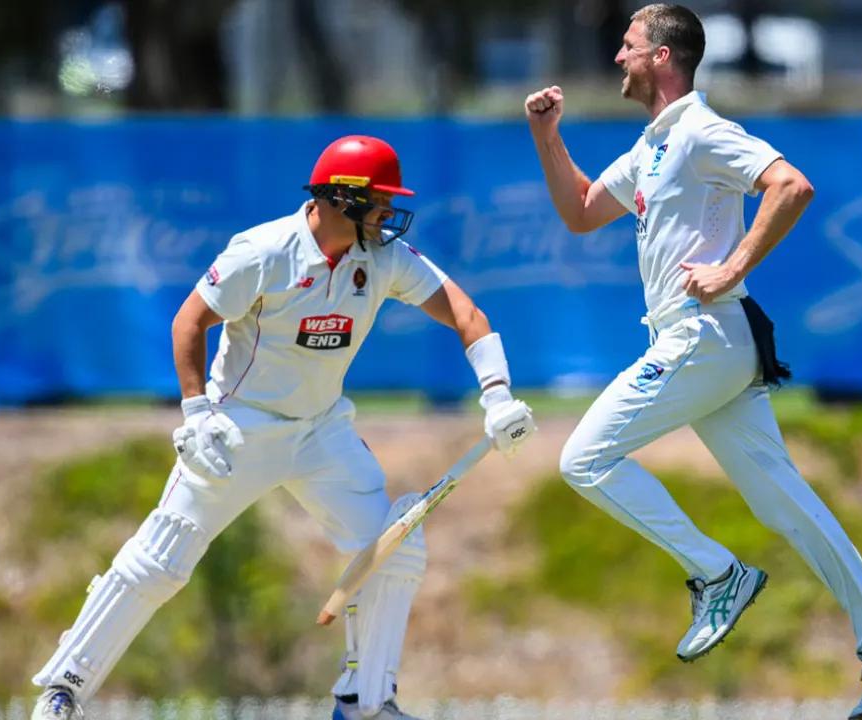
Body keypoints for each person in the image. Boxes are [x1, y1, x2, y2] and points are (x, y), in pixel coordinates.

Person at [29, 135, 537, 720]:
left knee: (394, 549)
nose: (387, 216)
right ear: (341, 198)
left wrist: (497, 397)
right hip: (239, 427)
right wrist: (197, 415)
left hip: (322, 430)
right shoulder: (262, 251)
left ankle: (367, 703)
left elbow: (468, 314)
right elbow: (189, 321)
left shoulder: (385, 257)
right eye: (378, 203)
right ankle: (64, 689)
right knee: (161, 558)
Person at [523, 5, 862, 718]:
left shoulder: (702, 132)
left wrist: (730, 265)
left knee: (583, 461)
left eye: (627, 47)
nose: (617, 59)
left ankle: (717, 574)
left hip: (702, 335)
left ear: (661, 57)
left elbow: (791, 186)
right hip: (710, 343)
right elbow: (583, 209)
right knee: (782, 500)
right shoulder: (654, 144)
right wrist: (546, 137)